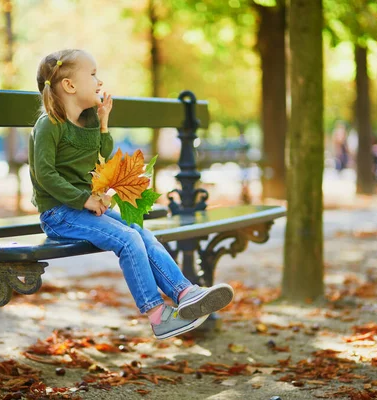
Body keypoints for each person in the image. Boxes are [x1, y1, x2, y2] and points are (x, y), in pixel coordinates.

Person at [29, 49, 234, 340]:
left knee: (140, 232)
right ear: (70, 86)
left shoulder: (86, 120)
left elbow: (102, 154)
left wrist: (103, 123)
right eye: (92, 74)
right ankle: (158, 316)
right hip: (59, 214)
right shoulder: (49, 125)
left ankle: (185, 292)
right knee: (128, 239)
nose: (99, 81)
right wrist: (84, 199)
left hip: (85, 210)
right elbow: (45, 174)